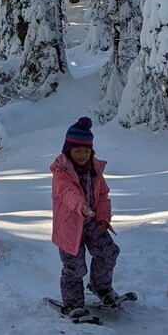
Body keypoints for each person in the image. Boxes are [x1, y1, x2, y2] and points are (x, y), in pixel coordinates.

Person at [51, 117, 121, 322]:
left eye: (86, 151)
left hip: (91, 222)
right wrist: (79, 205)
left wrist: (103, 217)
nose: (82, 155)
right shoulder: (61, 172)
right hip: (69, 227)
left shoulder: (95, 170)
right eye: (77, 151)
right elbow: (66, 192)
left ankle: (101, 287)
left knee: (109, 252)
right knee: (74, 266)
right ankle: (73, 303)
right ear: (68, 151)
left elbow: (102, 195)